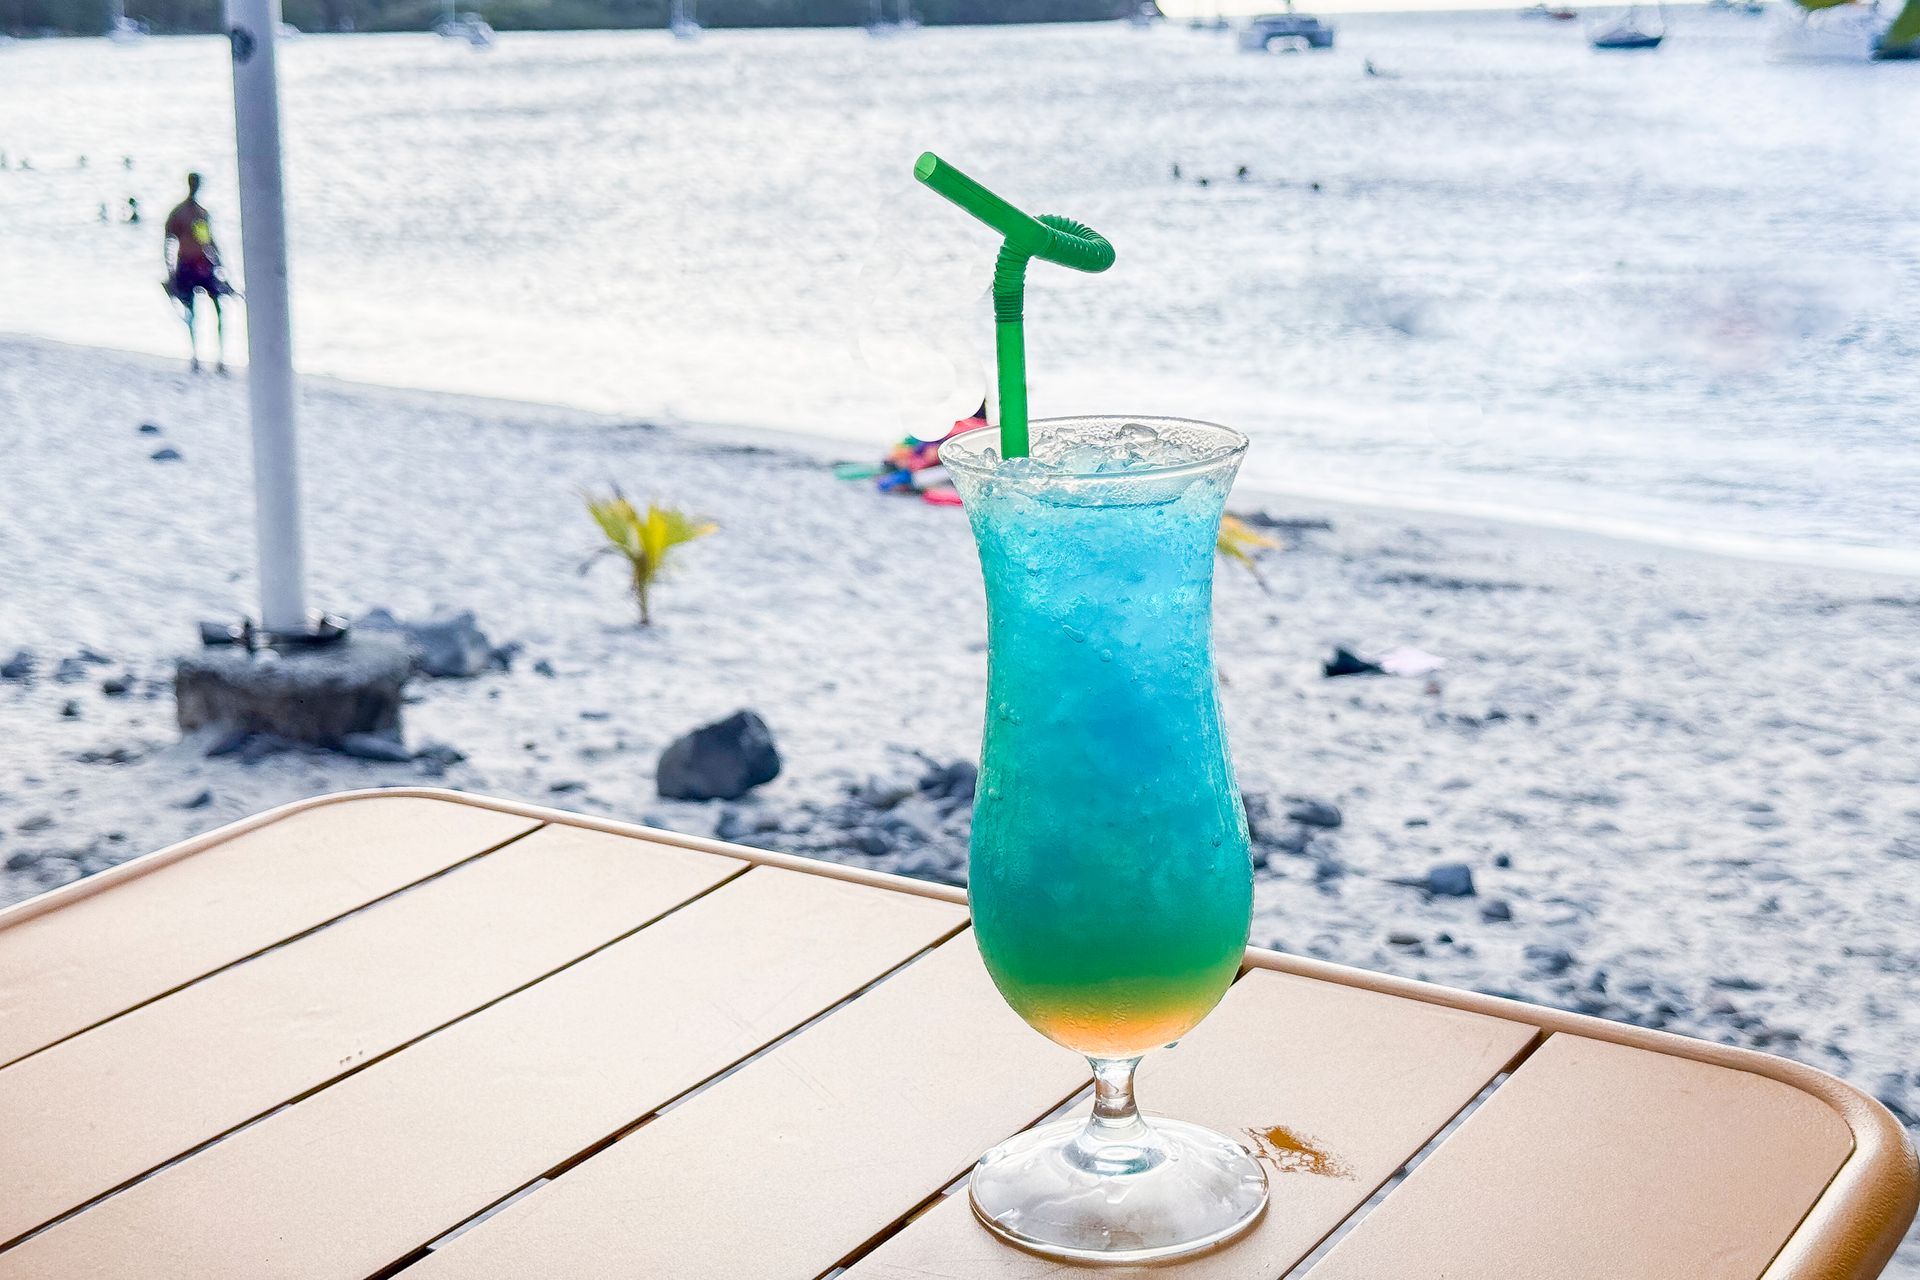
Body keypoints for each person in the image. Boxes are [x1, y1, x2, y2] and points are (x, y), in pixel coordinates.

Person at [162, 173, 235, 373]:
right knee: (192, 311)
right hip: (186, 264)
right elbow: (169, 242)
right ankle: (196, 356)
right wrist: (170, 271)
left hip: (203, 265)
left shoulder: (200, 213)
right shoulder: (180, 213)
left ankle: (219, 358)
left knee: (218, 309)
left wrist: (221, 266)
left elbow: (207, 241)